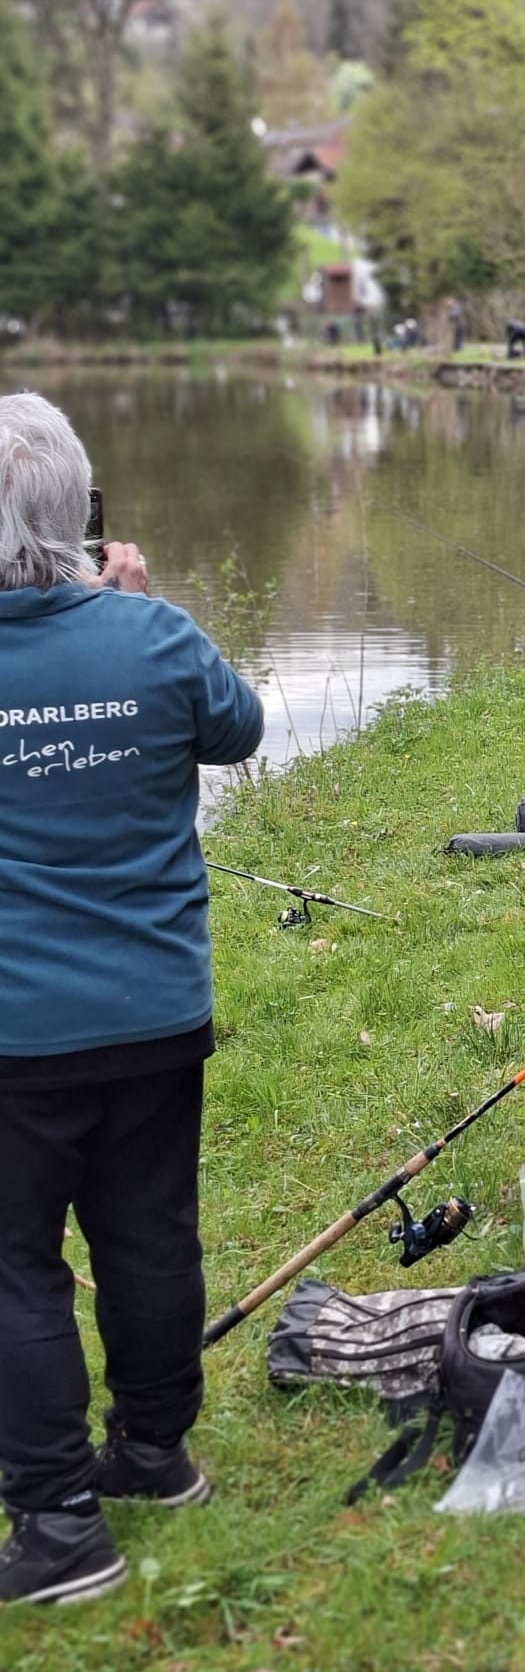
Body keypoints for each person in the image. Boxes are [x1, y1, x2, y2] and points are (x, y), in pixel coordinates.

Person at [0, 394, 263, 1607]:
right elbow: (239, 726)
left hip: (17, 1036)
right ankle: (153, 1456)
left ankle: (58, 1526)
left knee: (16, 1268)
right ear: (82, 510)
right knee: (148, 1232)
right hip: (156, 1012)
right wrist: (141, 607)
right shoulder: (153, 637)